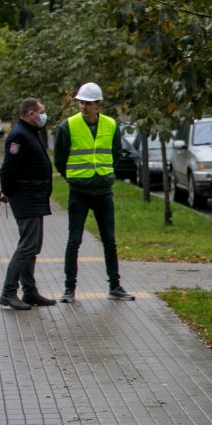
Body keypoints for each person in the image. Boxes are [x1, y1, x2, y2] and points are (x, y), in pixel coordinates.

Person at [54, 82, 134, 302]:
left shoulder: (110, 125)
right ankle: (69, 289)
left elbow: (116, 153)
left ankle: (115, 286)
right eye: (81, 102)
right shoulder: (67, 126)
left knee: (109, 239)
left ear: (99, 105)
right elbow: (60, 158)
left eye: (88, 103)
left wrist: (106, 174)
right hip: (79, 191)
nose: (83, 107)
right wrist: (71, 176)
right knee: (74, 240)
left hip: (103, 190)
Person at [0, 98, 57, 310]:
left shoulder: (29, 132)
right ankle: (8, 292)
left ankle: (30, 292)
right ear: (31, 113)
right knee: (27, 246)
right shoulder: (19, 135)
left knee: (32, 246)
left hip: (34, 196)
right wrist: (7, 192)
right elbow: (7, 169)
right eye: (41, 111)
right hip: (26, 197)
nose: (44, 114)